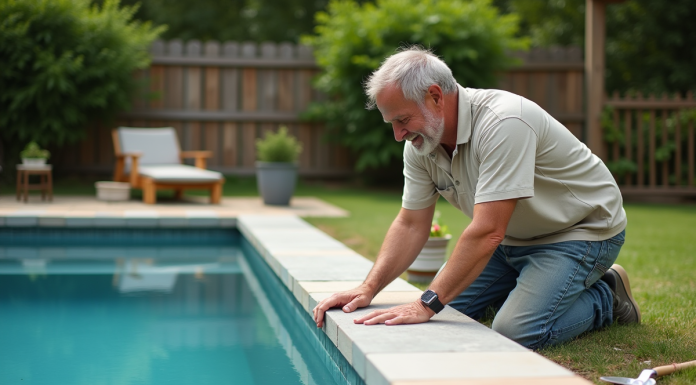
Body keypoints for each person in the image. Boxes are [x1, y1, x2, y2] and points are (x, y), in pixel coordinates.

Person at [312, 47, 641, 350]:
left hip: (578, 232)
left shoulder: (505, 122)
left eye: (402, 120)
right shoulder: (421, 145)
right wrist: (367, 288)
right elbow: (411, 224)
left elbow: (487, 231)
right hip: (511, 238)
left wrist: (426, 303)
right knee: (451, 312)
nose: (398, 135)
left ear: (436, 96)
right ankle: (528, 289)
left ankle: (606, 296)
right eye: (392, 123)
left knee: (514, 332)